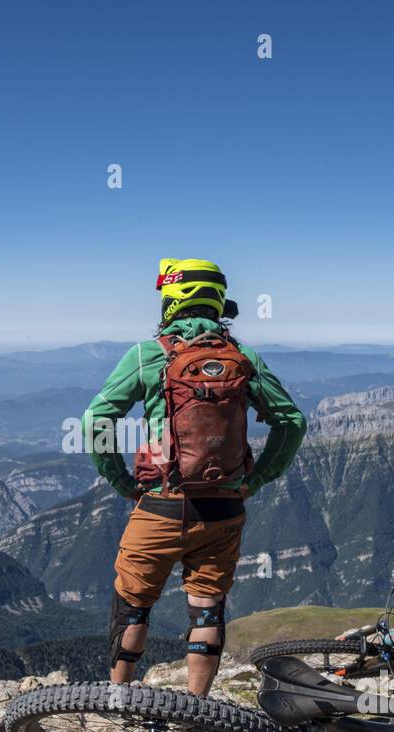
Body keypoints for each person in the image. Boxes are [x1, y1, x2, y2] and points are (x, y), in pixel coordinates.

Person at [81, 259, 307, 696]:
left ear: (170, 300)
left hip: (161, 504)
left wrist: (121, 480)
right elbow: (291, 423)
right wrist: (256, 479)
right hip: (223, 509)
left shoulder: (149, 355)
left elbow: (96, 419)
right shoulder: (243, 358)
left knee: (132, 607)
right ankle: (196, 708)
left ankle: (117, 700)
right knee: (206, 609)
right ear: (219, 301)